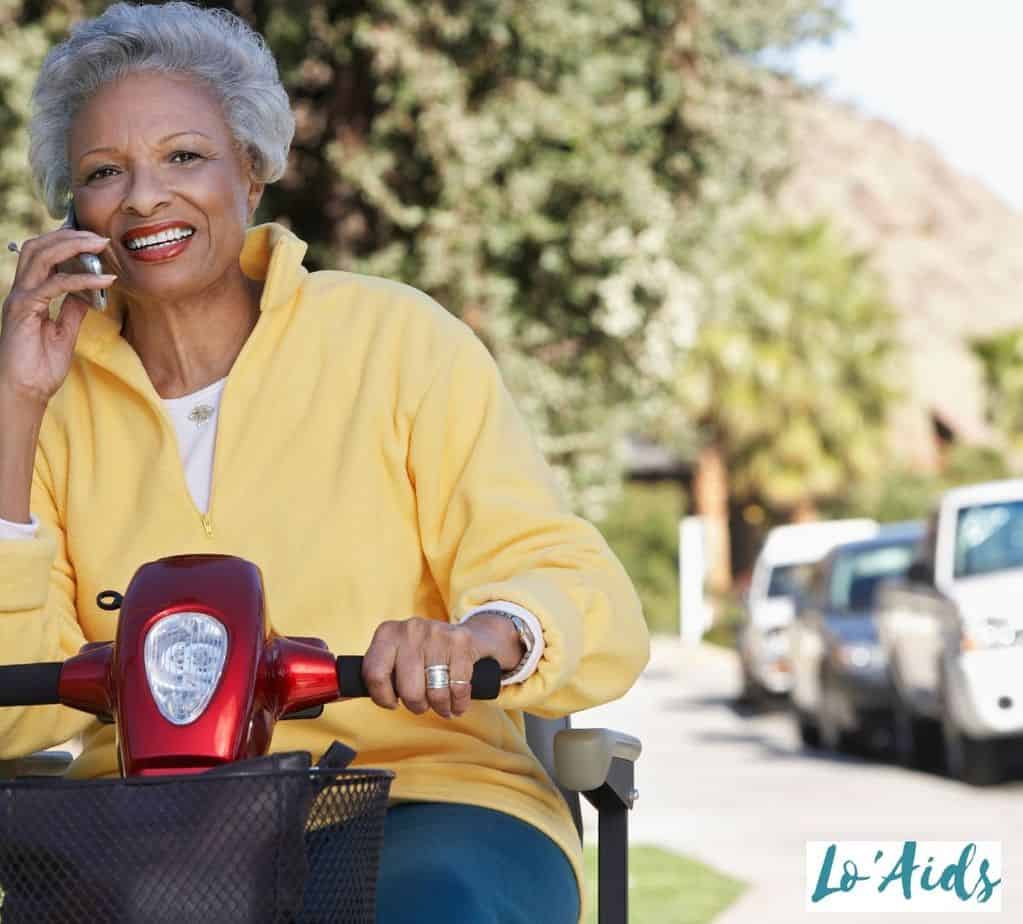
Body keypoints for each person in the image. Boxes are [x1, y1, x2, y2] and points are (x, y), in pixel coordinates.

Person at [0, 4, 649, 922]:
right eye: (106, 173)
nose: (145, 197)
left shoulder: (394, 339)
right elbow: (18, 721)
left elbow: (573, 582)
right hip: (148, 828)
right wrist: (17, 403)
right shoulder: (44, 401)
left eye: (185, 157)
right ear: (75, 210)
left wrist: (480, 637)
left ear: (252, 173)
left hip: (427, 796)